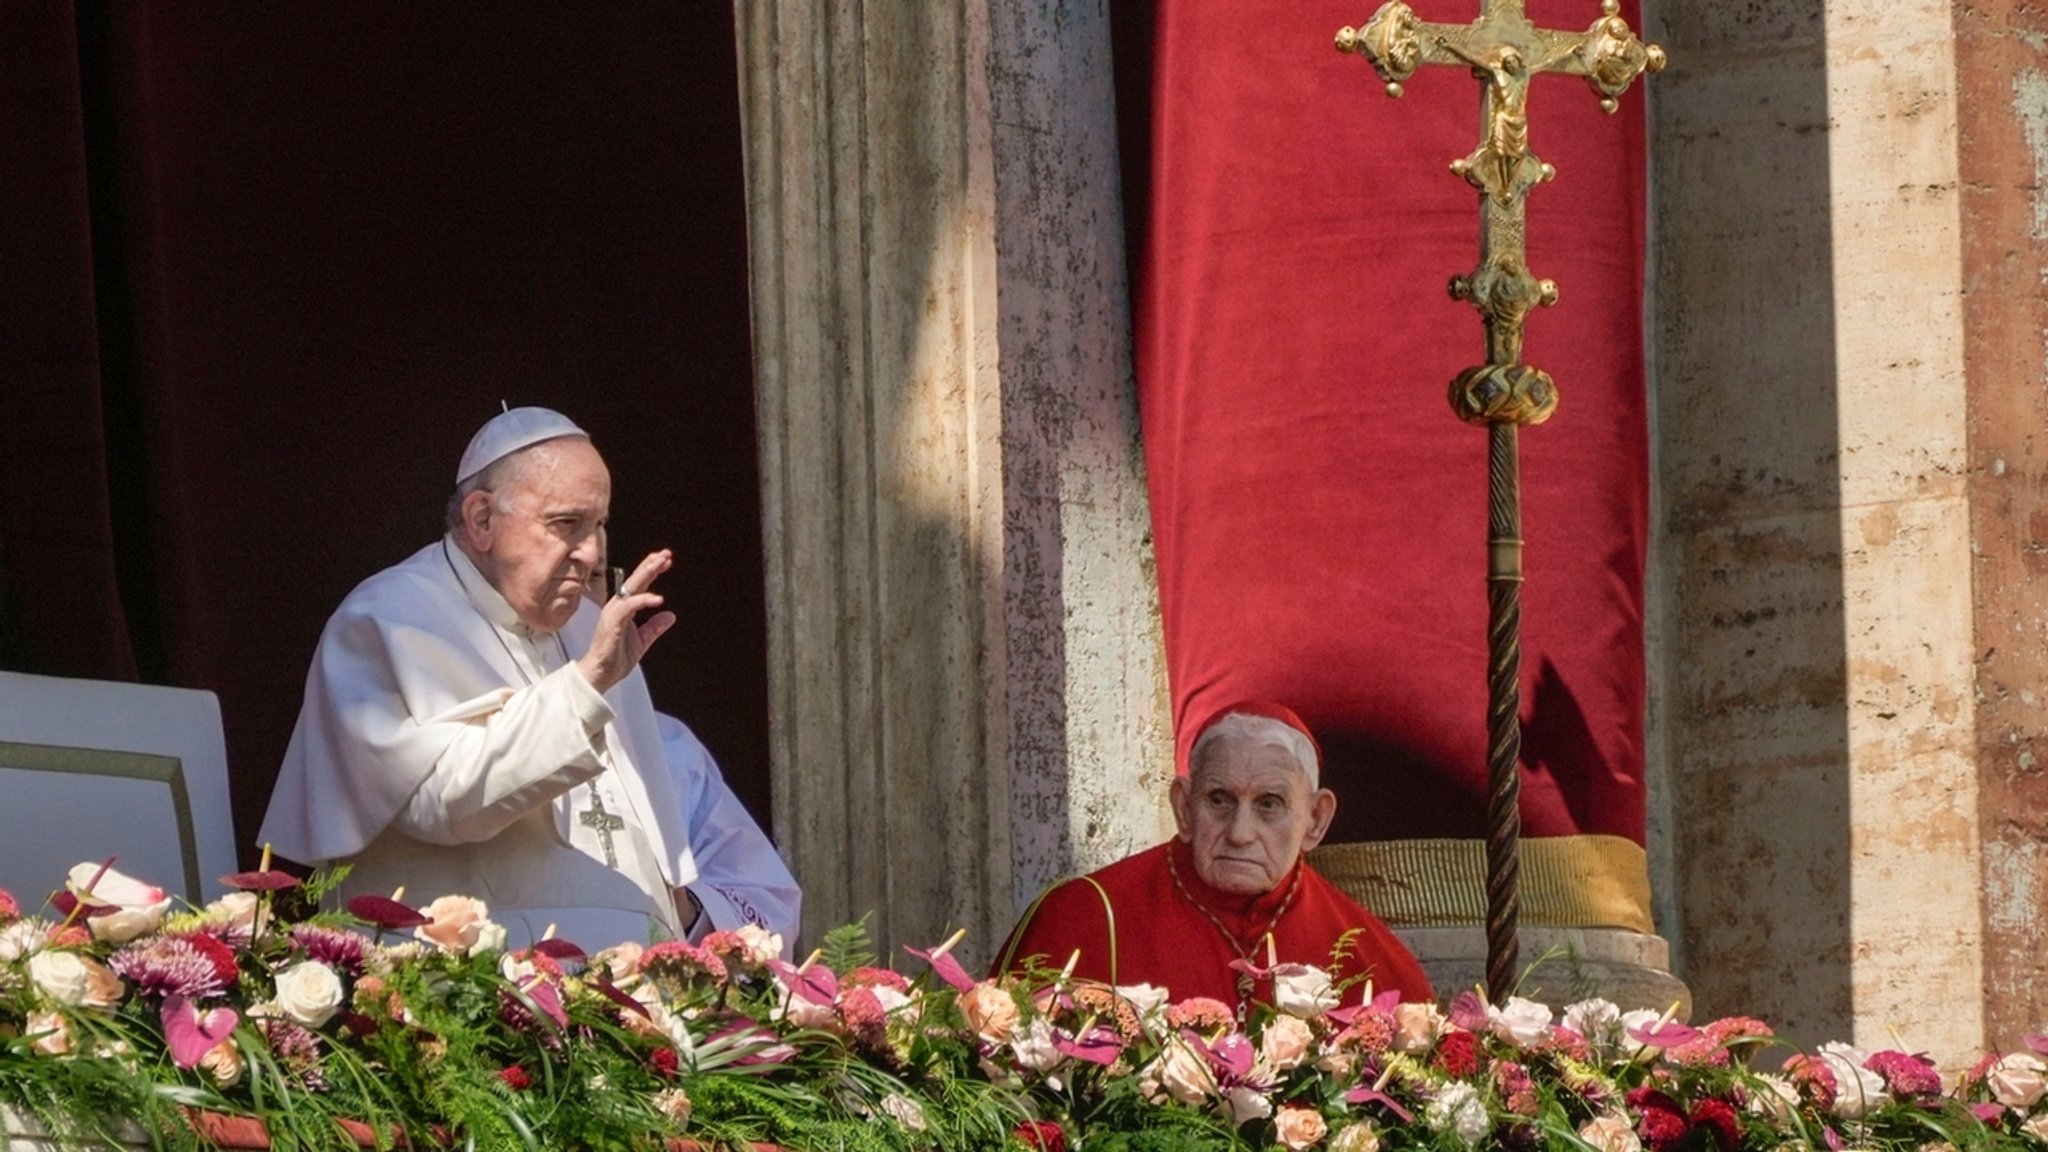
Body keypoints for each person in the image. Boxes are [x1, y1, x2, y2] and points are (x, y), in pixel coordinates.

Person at [258, 407, 799, 952]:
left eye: (599, 525)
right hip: (467, 993)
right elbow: (441, 802)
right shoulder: (386, 617)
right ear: (482, 519)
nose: (591, 552)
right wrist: (585, 685)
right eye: (566, 524)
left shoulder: (592, 624)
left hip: (629, 995)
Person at [996, 702, 1430, 1008]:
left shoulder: (1373, 961)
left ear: (1315, 820)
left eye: (1269, 804)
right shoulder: (1082, 918)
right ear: (1184, 807)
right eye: (1219, 800)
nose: (1240, 834)